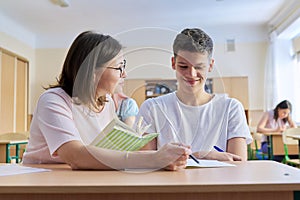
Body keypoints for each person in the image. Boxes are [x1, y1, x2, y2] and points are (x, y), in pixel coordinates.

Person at [22, 31, 191, 171]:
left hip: (84, 177)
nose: (124, 74)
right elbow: (75, 155)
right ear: (92, 71)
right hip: (44, 182)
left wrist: (160, 153)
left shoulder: (107, 101)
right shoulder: (54, 100)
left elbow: (105, 150)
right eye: (119, 68)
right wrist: (153, 159)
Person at [135, 28, 252, 161]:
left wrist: (196, 157)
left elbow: (239, 165)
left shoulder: (231, 108)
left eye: (199, 67)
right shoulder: (152, 107)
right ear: (173, 63)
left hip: (218, 182)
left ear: (210, 65)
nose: (191, 74)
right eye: (183, 66)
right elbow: (144, 162)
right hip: (169, 182)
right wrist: (203, 157)